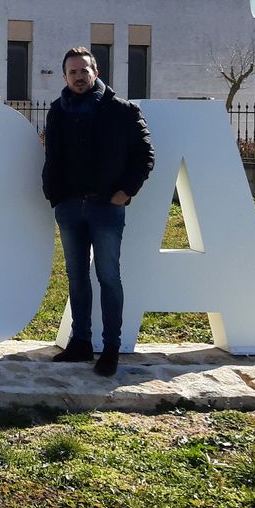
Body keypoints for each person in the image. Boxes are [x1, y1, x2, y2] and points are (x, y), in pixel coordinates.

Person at [41, 46, 155, 377]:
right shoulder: (58, 110)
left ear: (96, 72)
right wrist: (55, 196)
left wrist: (125, 191)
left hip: (106, 207)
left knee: (108, 277)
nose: (78, 77)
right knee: (77, 277)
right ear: (65, 77)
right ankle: (80, 343)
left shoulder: (122, 110)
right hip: (69, 207)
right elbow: (53, 155)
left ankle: (110, 349)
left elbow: (145, 155)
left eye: (84, 70)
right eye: (72, 72)